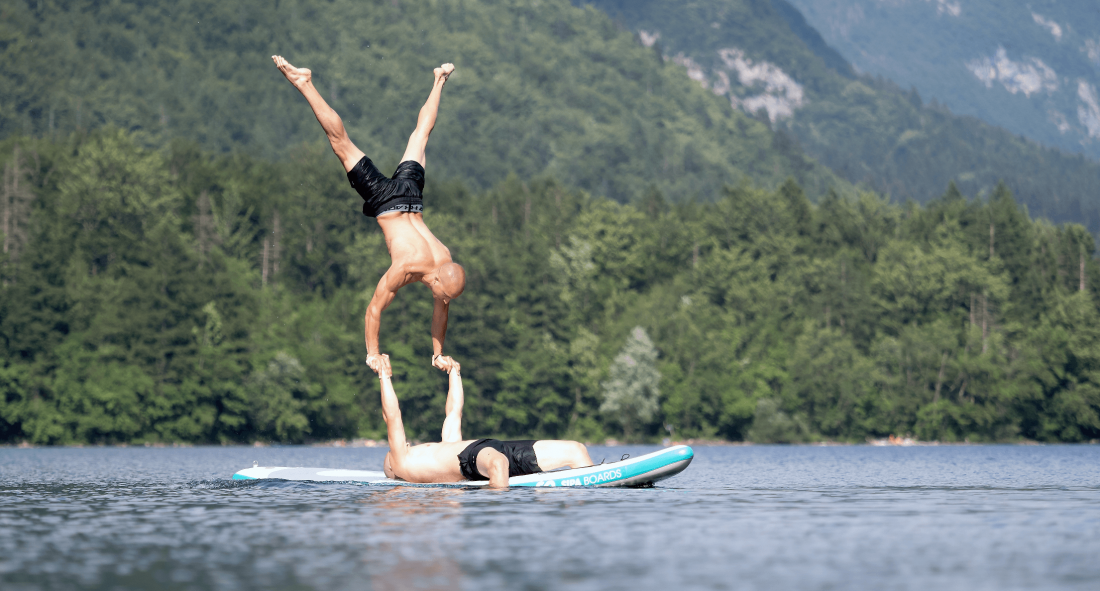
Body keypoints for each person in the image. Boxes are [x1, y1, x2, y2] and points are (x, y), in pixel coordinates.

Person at [272, 55, 466, 374]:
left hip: (410, 198)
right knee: (340, 143)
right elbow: (374, 309)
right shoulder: (407, 268)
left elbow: (441, 312)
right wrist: (372, 353)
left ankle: (440, 79)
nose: (444, 303)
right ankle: (304, 83)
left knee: (420, 136)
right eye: (444, 297)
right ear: (439, 282)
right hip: (385, 201)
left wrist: (438, 353)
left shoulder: (445, 262)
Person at [372, 354, 594, 488]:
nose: (407, 444)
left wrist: (454, 372)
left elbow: (454, 412)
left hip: (495, 448)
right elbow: (392, 416)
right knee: (498, 464)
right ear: (392, 467)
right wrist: (384, 376)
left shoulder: (442, 448)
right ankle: (495, 524)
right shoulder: (402, 463)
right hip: (472, 458)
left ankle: (594, 500)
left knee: (576, 450)